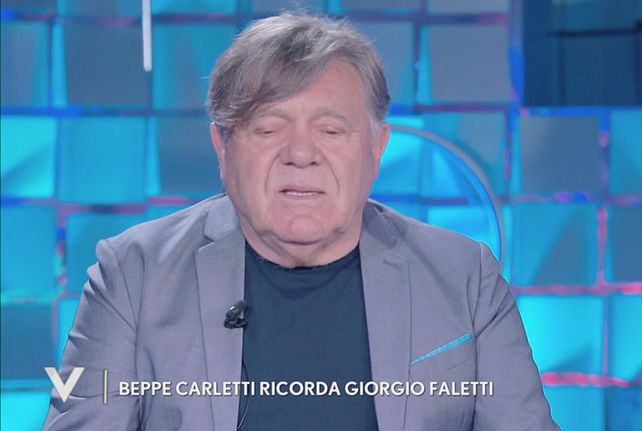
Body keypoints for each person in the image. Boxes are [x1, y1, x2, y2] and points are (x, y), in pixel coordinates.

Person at [43, 12, 557, 431]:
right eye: (269, 128)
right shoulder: (133, 275)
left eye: (331, 131)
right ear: (222, 147)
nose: (301, 154)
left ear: (376, 149)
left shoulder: (464, 278)